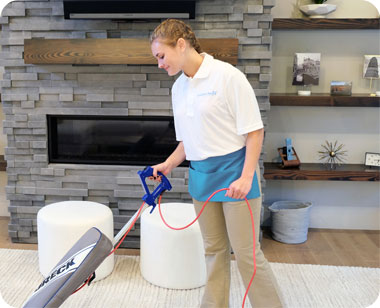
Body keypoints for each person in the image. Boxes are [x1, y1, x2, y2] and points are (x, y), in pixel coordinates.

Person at [150, 19, 283, 308]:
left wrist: (247, 177)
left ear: (181, 45)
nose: (159, 64)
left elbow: (254, 131)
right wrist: (168, 164)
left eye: (161, 56)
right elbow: (188, 140)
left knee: (247, 256)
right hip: (202, 178)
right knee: (213, 251)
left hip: (237, 176)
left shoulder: (227, 77)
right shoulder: (178, 89)